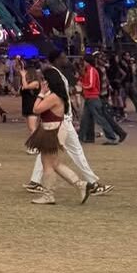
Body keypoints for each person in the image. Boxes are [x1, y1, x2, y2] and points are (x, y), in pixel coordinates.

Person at [23, 52, 108, 197]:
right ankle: (91, 183)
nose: (66, 59)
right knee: (72, 153)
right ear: (56, 59)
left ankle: (36, 182)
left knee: (48, 153)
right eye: (62, 57)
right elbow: (48, 99)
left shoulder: (55, 73)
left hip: (58, 119)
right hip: (61, 120)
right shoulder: (53, 74)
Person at [25, 69, 94, 205]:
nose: (42, 82)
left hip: (51, 131)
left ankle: (49, 195)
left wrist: (41, 93)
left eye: (44, 79)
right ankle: (80, 185)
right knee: (54, 163)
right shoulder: (56, 95)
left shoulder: (54, 97)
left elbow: (36, 109)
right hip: (51, 129)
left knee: (48, 165)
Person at [77, 54, 126, 144]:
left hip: (93, 97)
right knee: (86, 119)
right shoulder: (92, 70)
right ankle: (85, 137)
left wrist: (82, 85)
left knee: (100, 119)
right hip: (92, 97)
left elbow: (91, 84)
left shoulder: (92, 70)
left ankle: (111, 137)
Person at [20, 58, 41, 130]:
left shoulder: (36, 82)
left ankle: (36, 138)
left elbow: (26, 87)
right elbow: (21, 90)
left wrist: (23, 77)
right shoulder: (26, 82)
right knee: (30, 128)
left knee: (33, 128)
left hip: (32, 106)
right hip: (26, 106)